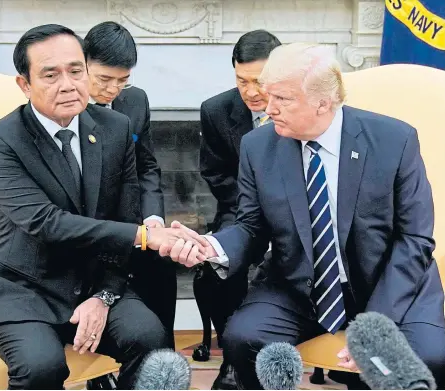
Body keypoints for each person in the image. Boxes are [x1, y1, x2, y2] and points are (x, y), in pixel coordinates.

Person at [166, 43, 445, 389]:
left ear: (323, 102)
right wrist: (212, 247)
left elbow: (414, 239)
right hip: (300, 285)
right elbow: (251, 226)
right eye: (269, 97)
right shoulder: (258, 145)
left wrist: (377, 325)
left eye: (282, 99)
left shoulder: (395, 141)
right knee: (243, 338)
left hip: (386, 283)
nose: (269, 109)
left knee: (429, 358)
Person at [0, 24, 207, 390]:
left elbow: (126, 216)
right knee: (41, 366)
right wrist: (148, 236)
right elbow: (45, 222)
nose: (68, 84)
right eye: (51, 75)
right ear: (24, 84)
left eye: (76, 70)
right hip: (25, 290)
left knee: (151, 340)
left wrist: (104, 295)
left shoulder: (114, 128)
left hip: (95, 282)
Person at [83, 23, 177, 389]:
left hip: (134, 221)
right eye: (105, 79)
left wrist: (154, 220)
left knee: (161, 266)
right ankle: (99, 371)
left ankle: (160, 371)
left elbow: (147, 164)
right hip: (90, 228)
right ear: (83, 63)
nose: (112, 90)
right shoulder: (64, 105)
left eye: (122, 80)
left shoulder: (135, 100)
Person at [195, 30, 281, 389]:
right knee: (217, 266)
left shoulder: (296, 106)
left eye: (259, 81)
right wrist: (253, 210)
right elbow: (215, 173)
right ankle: (232, 360)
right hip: (240, 207)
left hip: (300, 211)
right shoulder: (216, 110)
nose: (251, 92)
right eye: (241, 80)